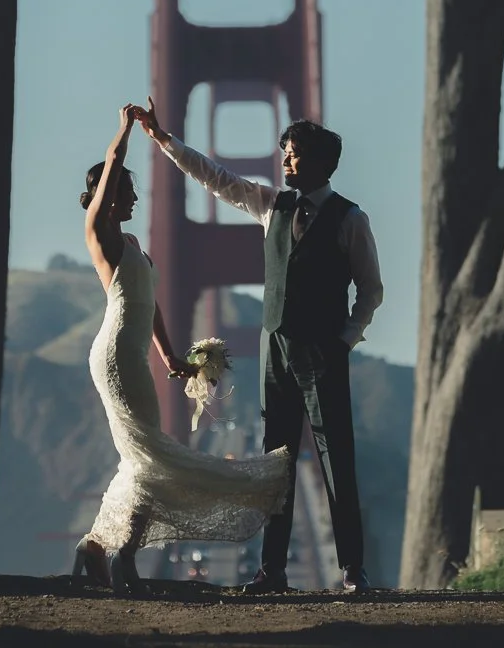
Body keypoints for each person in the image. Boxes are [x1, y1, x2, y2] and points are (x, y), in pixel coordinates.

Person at [134, 97, 383, 594]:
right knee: (276, 462)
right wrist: (164, 141)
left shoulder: (351, 219)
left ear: (319, 161)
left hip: (323, 356)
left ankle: (353, 571)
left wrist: (344, 341)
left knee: (338, 462)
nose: (284, 161)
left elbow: (370, 290)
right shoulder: (272, 205)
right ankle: (273, 571)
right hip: (276, 354)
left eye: (292, 154)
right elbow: (215, 177)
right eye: (284, 152)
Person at [72, 105, 289, 595]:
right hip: (113, 356)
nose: (133, 199)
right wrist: (127, 128)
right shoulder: (100, 233)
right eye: (126, 192)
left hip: (134, 355)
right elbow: (112, 164)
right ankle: (120, 554)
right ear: (107, 194)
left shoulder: (133, 244)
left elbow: (150, 308)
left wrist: (171, 358)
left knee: (144, 457)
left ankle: (96, 548)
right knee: (149, 456)